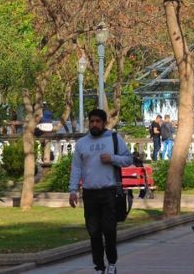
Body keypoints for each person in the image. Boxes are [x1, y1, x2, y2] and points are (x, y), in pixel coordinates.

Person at [69, 108, 132, 274]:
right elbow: (76, 168)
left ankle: (112, 263)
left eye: (98, 121)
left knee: (109, 231)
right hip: (89, 194)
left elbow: (128, 159)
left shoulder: (114, 139)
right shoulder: (82, 143)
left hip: (109, 192)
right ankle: (99, 267)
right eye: (91, 121)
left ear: (104, 123)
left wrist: (112, 158)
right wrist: (73, 190)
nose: (94, 124)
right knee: (94, 232)